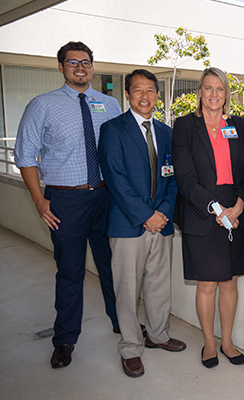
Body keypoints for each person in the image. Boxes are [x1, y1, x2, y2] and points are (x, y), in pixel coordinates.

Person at [14, 41, 121, 369]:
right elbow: (25, 155)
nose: (80, 67)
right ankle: (64, 339)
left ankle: (124, 324)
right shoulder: (42, 105)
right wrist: (39, 200)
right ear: (60, 67)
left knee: (113, 269)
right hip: (66, 201)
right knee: (71, 272)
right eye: (72, 62)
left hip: (106, 198)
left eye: (85, 62)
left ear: (92, 66)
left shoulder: (110, 104)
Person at [98, 69, 185, 378]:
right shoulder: (112, 130)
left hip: (161, 223)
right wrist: (145, 215)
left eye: (151, 90)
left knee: (159, 285)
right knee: (127, 289)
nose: (145, 96)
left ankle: (158, 335)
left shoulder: (166, 132)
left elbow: (174, 177)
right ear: (127, 94)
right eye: (138, 91)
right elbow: (115, 179)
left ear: (157, 95)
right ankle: (131, 348)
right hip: (127, 224)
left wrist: (161, 212)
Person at [172, 67, 244, 370]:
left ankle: (227, 342)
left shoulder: (240, 126)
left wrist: (240, 205)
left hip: (236, 213)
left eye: (220, 89)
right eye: (208, 88)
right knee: (207, 284)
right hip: (202, 213)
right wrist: (217, 209)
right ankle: (209, 341)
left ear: (227, 94)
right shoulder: (185, 126)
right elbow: (185, 177)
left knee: (230, 282)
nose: (214, 95)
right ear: (199, 93)